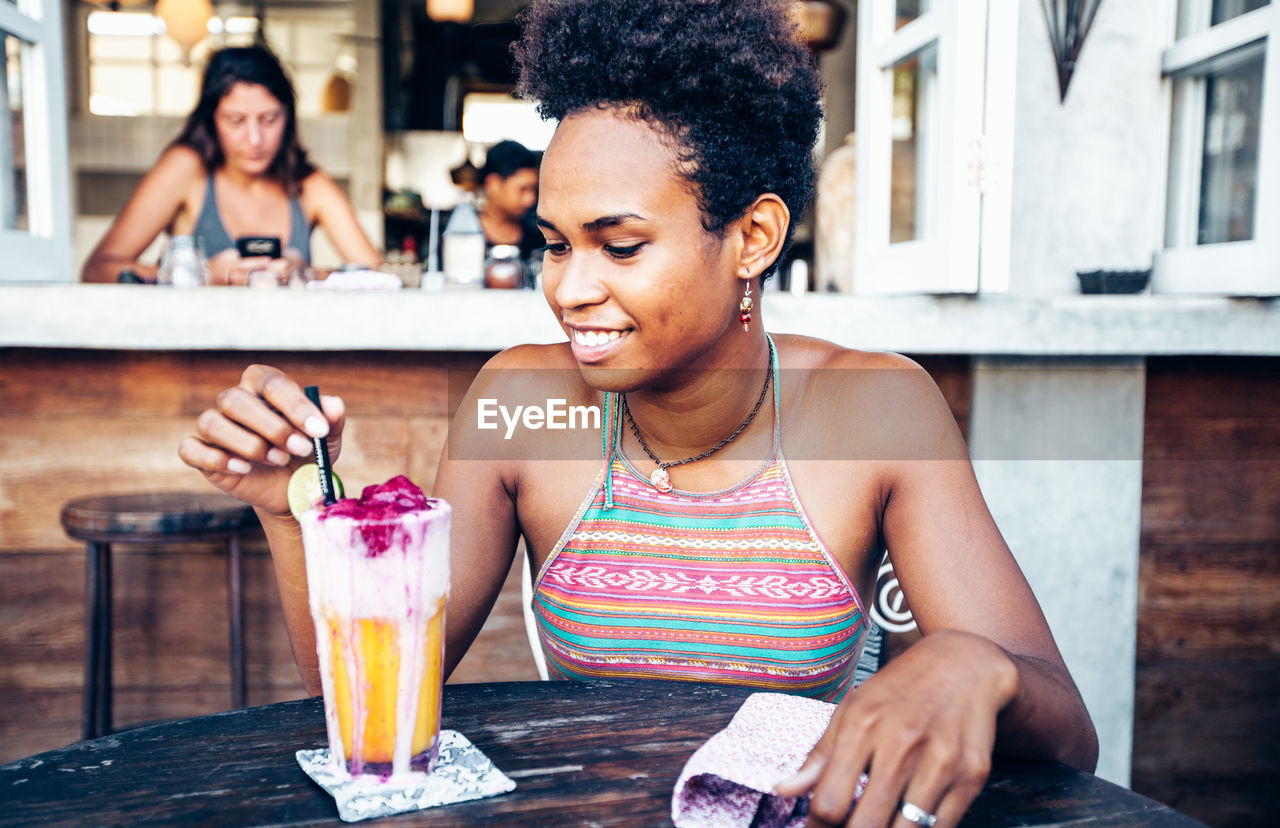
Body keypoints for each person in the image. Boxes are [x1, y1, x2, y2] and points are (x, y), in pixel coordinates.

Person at [179, 2, 1098, 827]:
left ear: (754, 239)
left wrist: (982, 667)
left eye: (620, 245)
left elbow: (1071, 740)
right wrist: (289, 505)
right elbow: (368, 710)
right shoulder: (519, 406)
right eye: (554, 245)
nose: (571, 289)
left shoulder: (876, 412)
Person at [81, 46, 379, 285]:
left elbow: (380, 279)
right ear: (213, 120)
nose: (254, 139)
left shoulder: (308, 184)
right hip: (196, 353)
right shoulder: (186, 170)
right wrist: (203, 274)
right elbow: (97, 270)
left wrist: (306, 274)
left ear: (288, 117)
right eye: (236, 121)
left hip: (282, 353)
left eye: (269, 119)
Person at [476, 139, 543, 263]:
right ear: (493, 184)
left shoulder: (537, 240)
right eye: (522, 189)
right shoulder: (463, 236)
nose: (531, 199)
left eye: (533, 189)